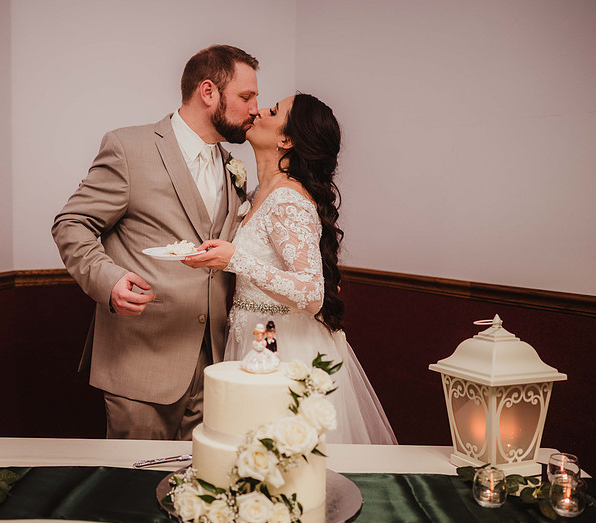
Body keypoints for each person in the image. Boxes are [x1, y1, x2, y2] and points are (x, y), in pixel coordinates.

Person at [52, 45, 259, 440]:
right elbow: (71, 223)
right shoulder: (129, 148)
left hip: (213, 367)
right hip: (141, 363)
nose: (254, 109)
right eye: (246, 97)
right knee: (133, 479)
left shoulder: (233, 167)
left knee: (203, 478)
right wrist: (109, 280)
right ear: (208, 91)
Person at [183, 93, 397, 444]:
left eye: (272, 111)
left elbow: (312, 293)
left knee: (285, 453)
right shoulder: (260, 194)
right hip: (254, 340)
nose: (257, 111)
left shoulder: (286, 199)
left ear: (286, 139)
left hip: (286, 349)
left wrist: (235, 260)